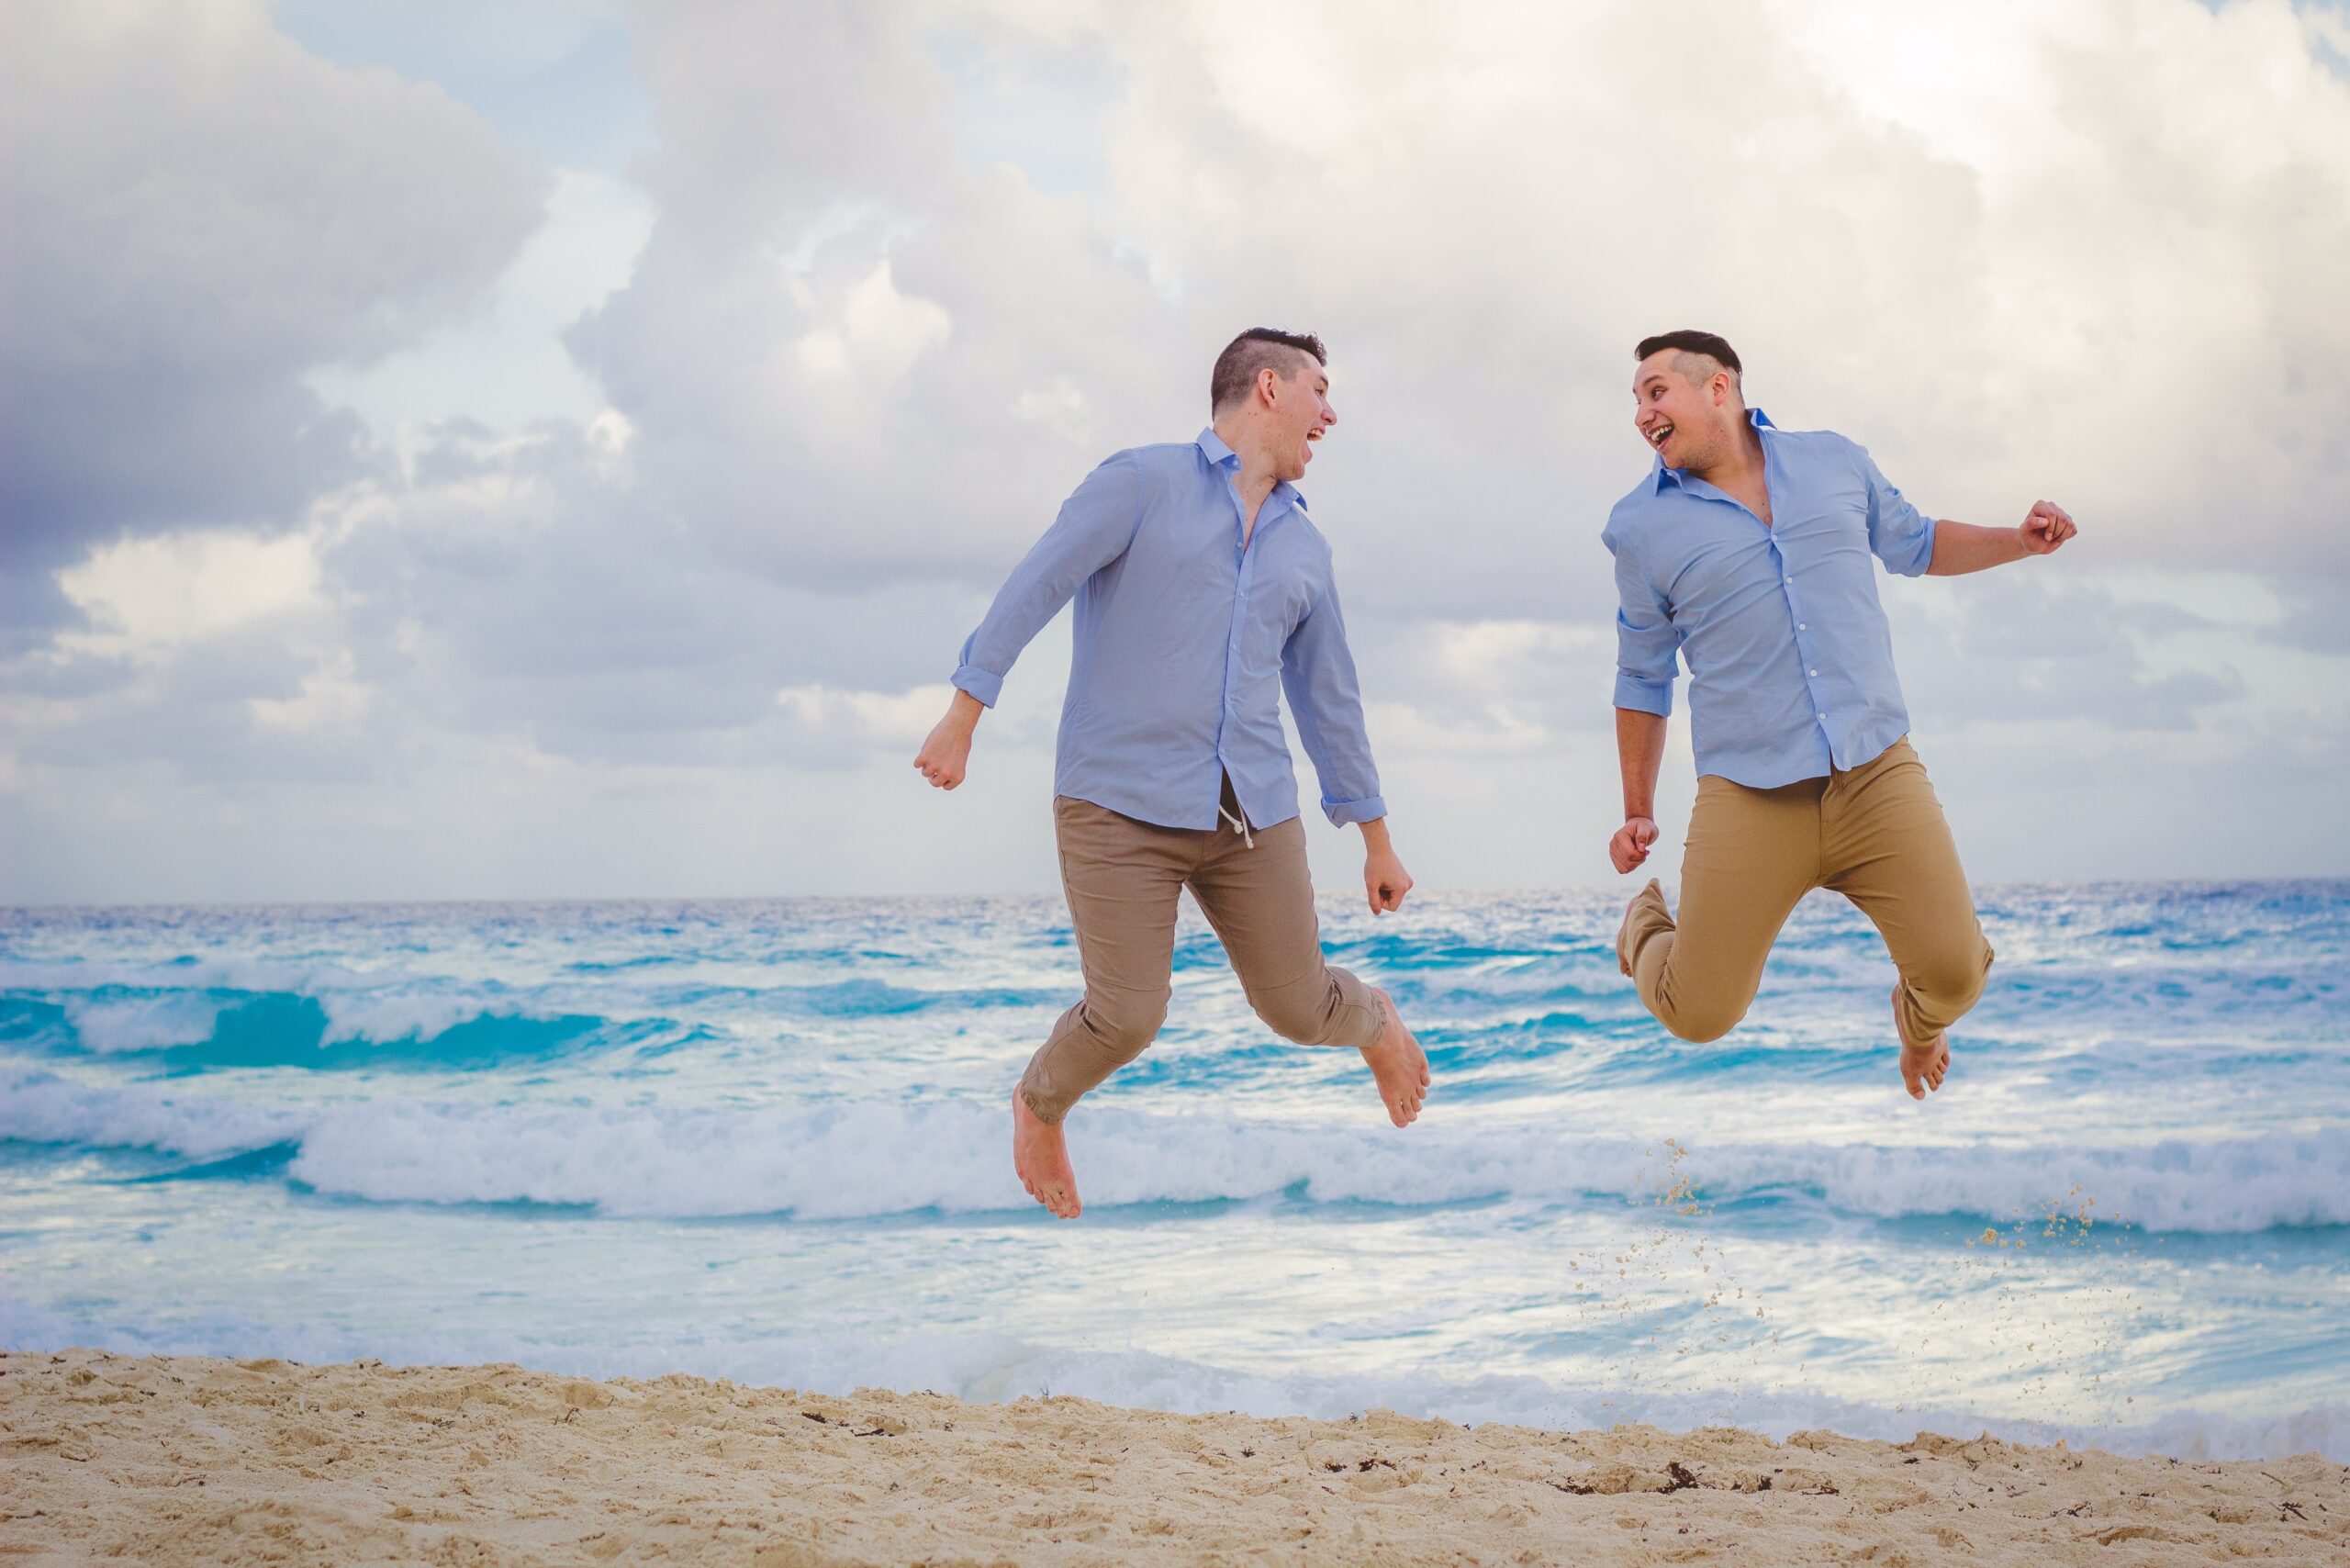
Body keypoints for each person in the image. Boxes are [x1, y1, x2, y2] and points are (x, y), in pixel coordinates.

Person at [913, 328, 1432, 1219]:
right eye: (1320, 391)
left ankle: (1375, 1023)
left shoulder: (1306, 550)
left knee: (1300, 1008)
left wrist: (1376, 839)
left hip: (1250, 812)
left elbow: (1329, 699)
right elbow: (1036, 583)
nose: (1331, 413)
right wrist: (967, 709)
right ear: (1268, 388)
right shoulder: (1140, 483)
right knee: (1127, 1016)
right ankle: (1038, 1104)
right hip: (1116, 804)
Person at [1605, 330, 2076, 1099]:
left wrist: (2020, 543)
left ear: (1718, 387)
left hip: (1873, 771)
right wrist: (1634, 808)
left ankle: (1915, 1027)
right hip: (1751, 793)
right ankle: (1645, 928)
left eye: (1656, 391)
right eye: (1636, 400)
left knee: (1956, 978)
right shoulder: (1639, 526)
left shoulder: (1832, 462)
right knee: (1698, 1014)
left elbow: (1918, 543)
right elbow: (1641, 674)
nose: (1641, 413)